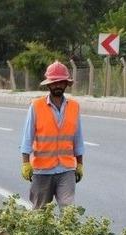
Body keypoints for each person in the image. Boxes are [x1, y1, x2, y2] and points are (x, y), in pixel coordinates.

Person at [20, 61, 85, 210]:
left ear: (66, 84)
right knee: (40, 213)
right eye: (54, 83)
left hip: (66, 170)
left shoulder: (74, 107)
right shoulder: (36, 106)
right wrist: (25, 163)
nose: (58, 86)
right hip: (42, 171)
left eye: (61, 82)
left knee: (68, 211)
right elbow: (27, 138)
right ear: (49, 85)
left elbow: (78, 139)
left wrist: (80, 164)